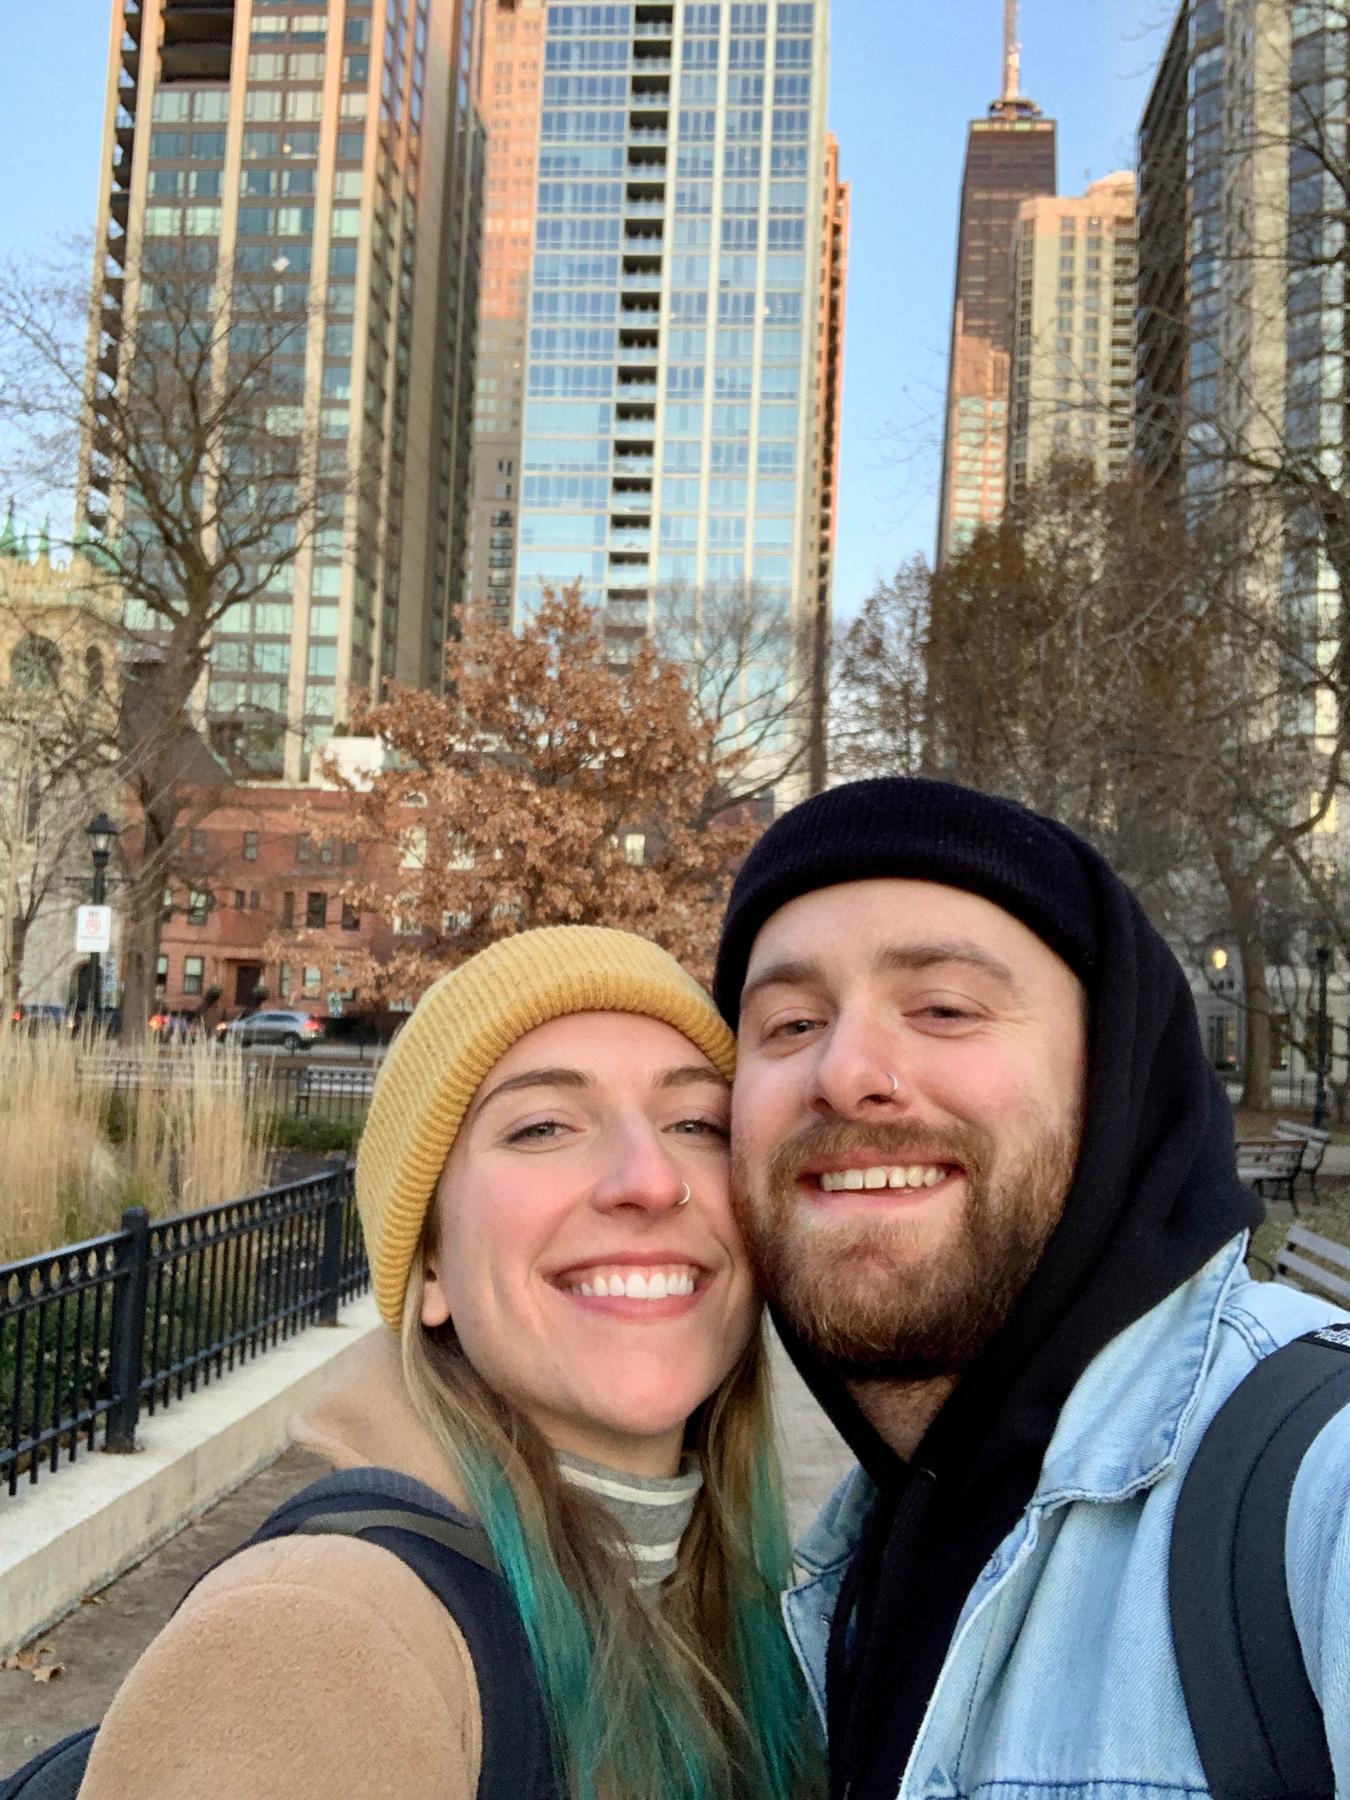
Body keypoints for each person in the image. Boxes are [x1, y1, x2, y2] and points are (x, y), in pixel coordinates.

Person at [712, 776, 1350, 1800]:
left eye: (944, 1007)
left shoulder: (1319, 1492)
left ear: (1111, 1078)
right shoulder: (834, 1583)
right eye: (789, 1025)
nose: (845, 1070)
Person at [80, 926, 823, 1800]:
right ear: (430, 1263)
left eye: (697, 1123)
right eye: (542, 1127)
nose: (651, 1180)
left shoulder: (774, 1619)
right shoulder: (315, 1641)